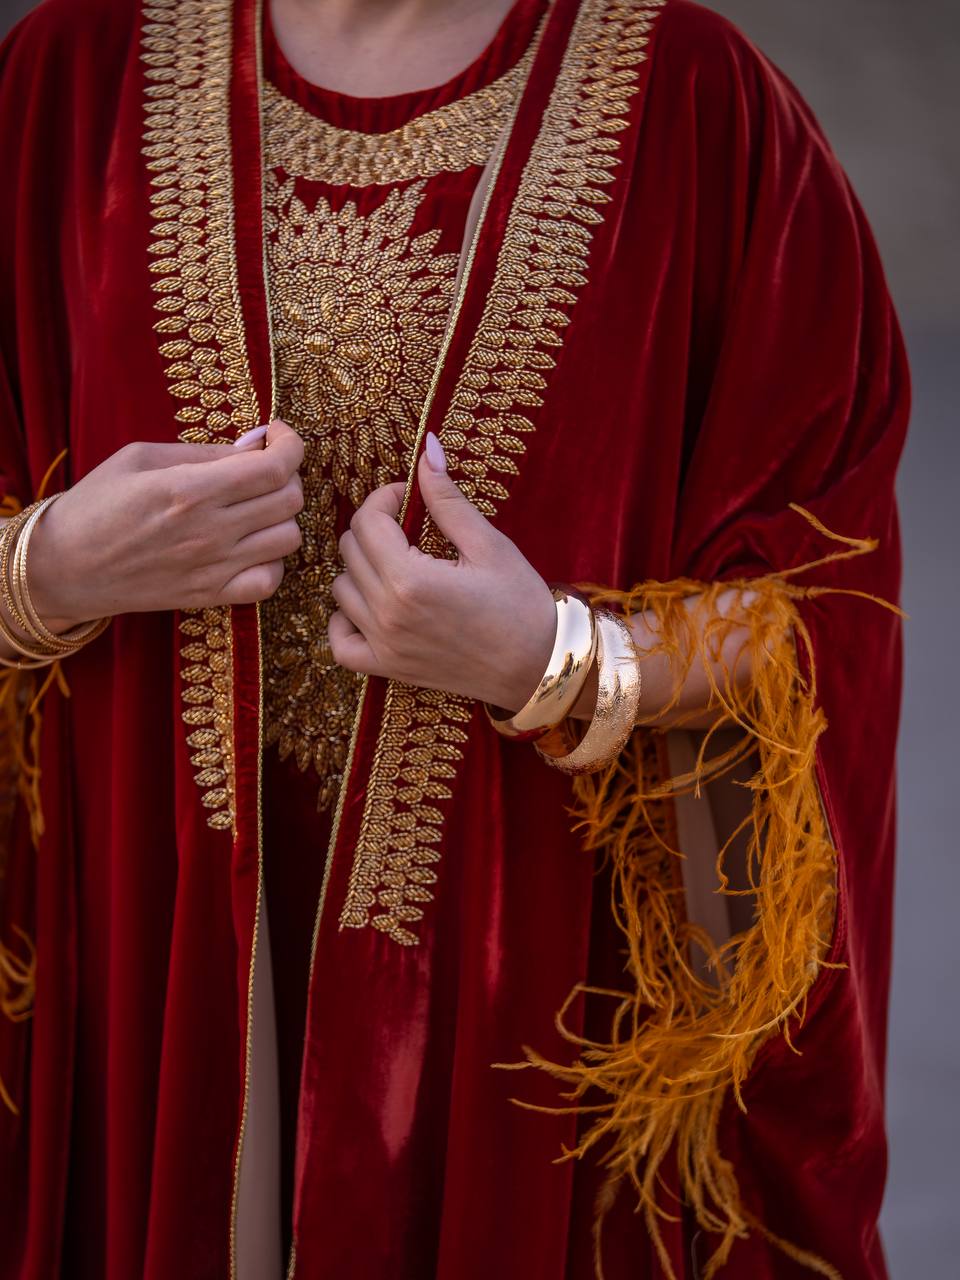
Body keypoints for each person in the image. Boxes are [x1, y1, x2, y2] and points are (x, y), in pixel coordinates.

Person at [0, 0, 909, 1276]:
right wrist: (47, 566)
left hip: (525, 1017)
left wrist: (559, 657)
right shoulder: (65, 80)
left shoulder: (700, 105)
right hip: (134, 978)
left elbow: (824, 612)